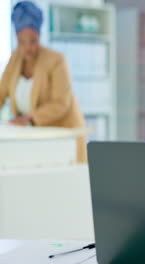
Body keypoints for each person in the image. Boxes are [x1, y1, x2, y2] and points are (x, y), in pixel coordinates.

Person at [0, 1, 87, 162]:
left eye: (32, 40)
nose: (27, 48)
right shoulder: (14, 59)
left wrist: (29, 118)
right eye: (22, 42)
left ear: (39, 36)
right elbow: (1, 93)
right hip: (33, 136)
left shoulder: (56, 60)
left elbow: (61, 103)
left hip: (63, 134)